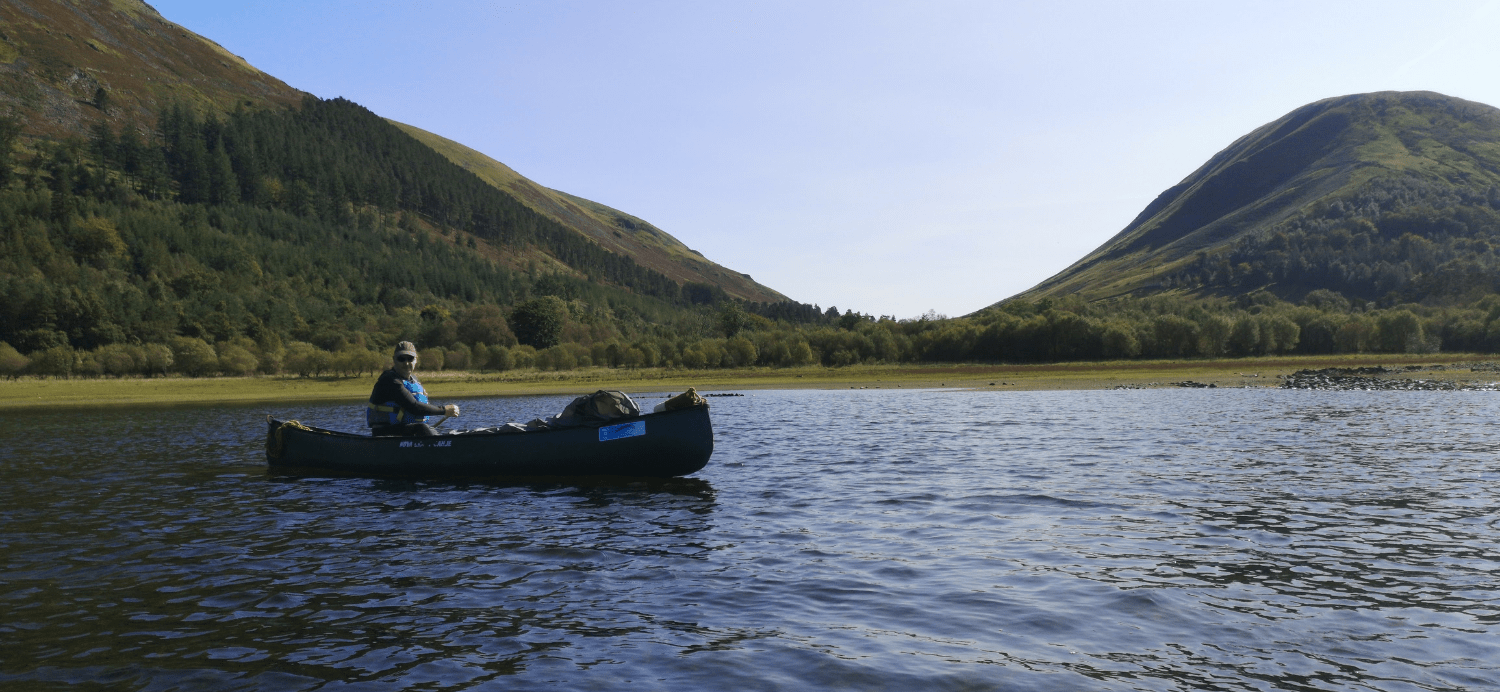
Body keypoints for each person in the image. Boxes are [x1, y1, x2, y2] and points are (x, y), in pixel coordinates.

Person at [366, 341, 460, 436]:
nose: (406, 363)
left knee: (424, 428)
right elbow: (414, 406)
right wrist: (444, 410)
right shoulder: (390, 380)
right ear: (394, 359)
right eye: (401, 359)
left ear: (416, 360)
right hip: (384, 432)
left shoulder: (414, 380)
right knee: (422, 428)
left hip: (405, 431)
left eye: (410, 359)